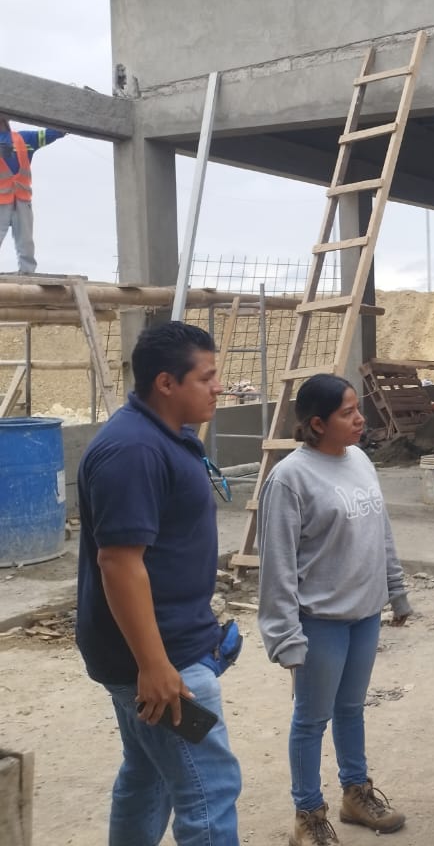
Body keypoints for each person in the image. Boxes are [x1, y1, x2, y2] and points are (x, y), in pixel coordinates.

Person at [75, 321, 241, 845]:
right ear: (166, 383)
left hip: (166, 650)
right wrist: (153, 665)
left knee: (147, 775)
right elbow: (119, 563)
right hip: (164, 664)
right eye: (206, 377)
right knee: (210, 789)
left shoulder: (167, 436)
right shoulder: (133, 451)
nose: (219, 387)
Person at [257, 374, 412, 845]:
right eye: (348, 413)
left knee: (351, 708)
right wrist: (285, 636)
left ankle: (355, 794)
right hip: (319, 622)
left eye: (357, 408)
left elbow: (381, 531)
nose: (360, 419)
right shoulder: (290, 478)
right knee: (311, 720)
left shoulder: (360, 460)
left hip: (364, 615)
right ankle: (307, 815)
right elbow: (277, 564)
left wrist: (395, 589)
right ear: (318, 424)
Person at [0, 117, 66, 275]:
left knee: (25, 240)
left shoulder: (24, 138)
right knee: (25, 240)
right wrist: (66, 125)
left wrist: (66, 125)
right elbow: (51, 134)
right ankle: (27, 271)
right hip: (8, 199)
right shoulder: (25, 138)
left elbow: (49, 134)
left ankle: (27, 272)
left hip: (20, 199)